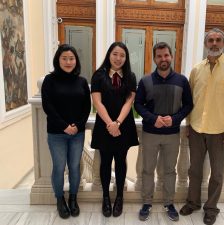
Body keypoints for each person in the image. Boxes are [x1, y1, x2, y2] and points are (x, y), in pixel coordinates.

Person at [179, 28, 224, 225]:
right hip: (197, 129)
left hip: (220, 131)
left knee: (217, 173)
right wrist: (189, 124)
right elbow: (190, 101)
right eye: (211, 40)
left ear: (223, 43)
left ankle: (211, 208)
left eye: (218, 40)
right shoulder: (196, 70)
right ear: (206, 44)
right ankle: (193, 202)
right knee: (194, 170)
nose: (214, 44)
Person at [134, 42, 193, 221]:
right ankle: (147, 202)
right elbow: (138, 104)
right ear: (154, 59)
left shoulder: (182, 80)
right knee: (147, 170)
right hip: (150, 133)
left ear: (171, 56)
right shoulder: (145, 81)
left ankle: (169, 202)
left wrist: (175, 119)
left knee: (169, 170)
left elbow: (188, 105)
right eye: (159, 56)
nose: (163, 59)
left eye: (166, 55)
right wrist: (153, 119)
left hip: (173, 134)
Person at [41, 44, 91, 219]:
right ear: (58, 60)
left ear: (76, 60)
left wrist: (77, 125)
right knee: (59, 167)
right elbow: (48, 106)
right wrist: (64, 126)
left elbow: (87, 107)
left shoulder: (82, 82)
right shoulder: (49, 80)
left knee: (75, 167)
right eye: (64, 58)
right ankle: (60, 199)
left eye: (71, 58)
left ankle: (73, 199)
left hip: (77, 133)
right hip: (56, 133)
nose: (68, 62)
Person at [90, 42, 138, 217]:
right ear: (109, 55)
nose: (118, 58)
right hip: (104, 126)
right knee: (105, 162)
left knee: (120, 161)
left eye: (122, 55)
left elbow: (128, 102)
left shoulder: (130, 76)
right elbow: (97, 102)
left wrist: (117, 123)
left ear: (126, 58)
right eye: (115, 54)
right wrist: (110, 124)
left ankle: (119, 197)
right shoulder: (98, 75)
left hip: (123, 125)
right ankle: (105, 197)